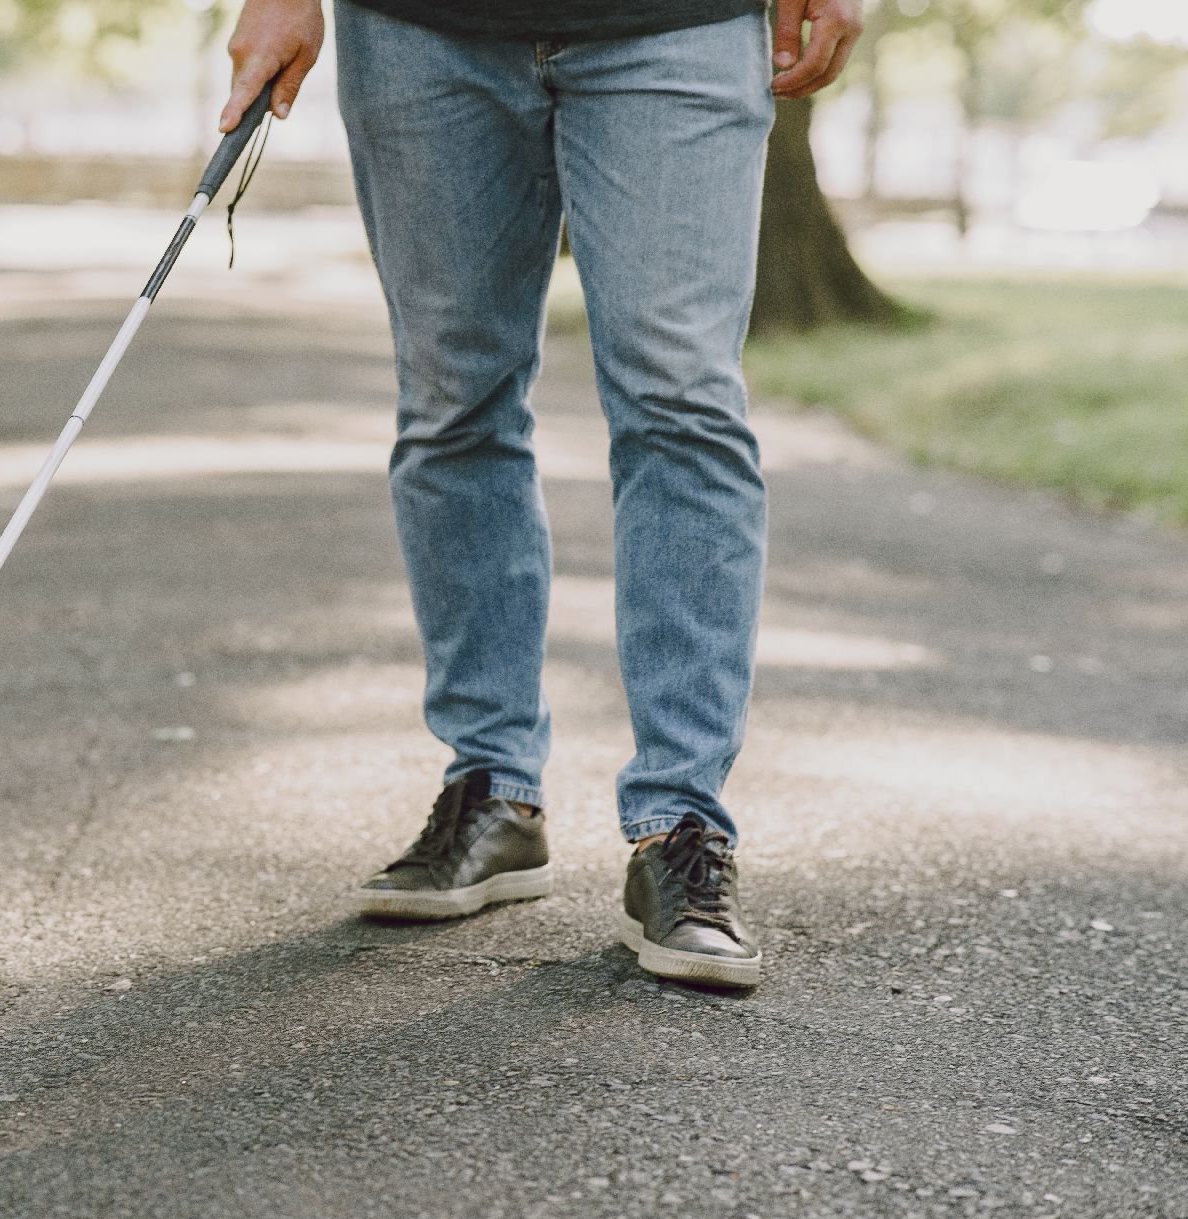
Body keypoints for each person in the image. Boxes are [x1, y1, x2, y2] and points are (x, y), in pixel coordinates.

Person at [217, 0, 862, 989]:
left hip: (680, 21)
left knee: (682, 398)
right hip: (417, 28)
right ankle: (492, 789)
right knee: (451, 398)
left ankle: (681, 825)